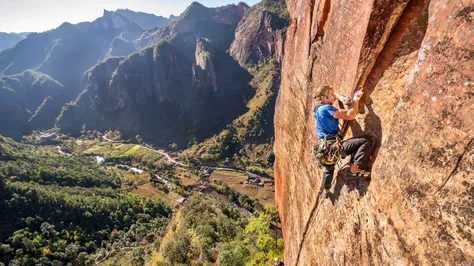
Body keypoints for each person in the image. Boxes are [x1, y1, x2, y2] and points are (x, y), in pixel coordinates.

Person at [313, 85, 373, 196]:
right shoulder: (326, 109)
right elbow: (350, 115)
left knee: (329, 169)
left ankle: (326, 190)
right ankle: (353, 170)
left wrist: (339, 97)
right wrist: (356, 99)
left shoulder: (317, 109)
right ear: (324, 97)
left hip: (325, 149)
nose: (334, 97)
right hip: (335, 148)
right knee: (367, 141)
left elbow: (332, 102)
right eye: (331, 94)